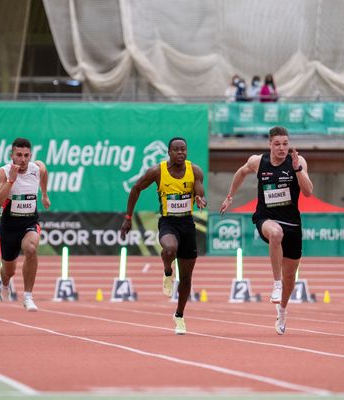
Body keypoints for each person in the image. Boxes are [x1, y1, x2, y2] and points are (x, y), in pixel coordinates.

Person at [219, 126, 313, 335]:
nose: (282, 148)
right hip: (266, 218)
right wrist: (230, 196)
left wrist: (298, 170)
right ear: (270, 144)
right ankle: (275, 283)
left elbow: (308, 192)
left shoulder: (298, 161)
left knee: (292, 278)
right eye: (277, 144)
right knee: (275, 233)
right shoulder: (258, 162)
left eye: (285, 144)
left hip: (293, 224)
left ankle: (282, 310)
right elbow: (241, 172)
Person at [120, 137, 206, 335]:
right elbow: (136, 188)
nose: (180, 153)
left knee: (186, 278)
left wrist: (201, 199)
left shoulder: (195, 171)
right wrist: (128, 217)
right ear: (168, 152)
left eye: (183, 149)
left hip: (188, 224)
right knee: (169, 249)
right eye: (176, 150)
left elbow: (199, 192)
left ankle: (179, 316)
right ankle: (168, 271)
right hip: (168, 222)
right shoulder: (157, 171)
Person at [0, 138, 51, 312]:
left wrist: (44, 194)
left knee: (31, 249)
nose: (23, 159)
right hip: (9, 227)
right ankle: (5, 283)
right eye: (19, 155)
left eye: (26, 155)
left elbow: (44, 172)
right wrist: (10, 181)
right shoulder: (3, 173)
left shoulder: (36, 169)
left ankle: (28, 297)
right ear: (12, 156)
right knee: (9, 271)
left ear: (30, 156)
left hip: (29, 223)